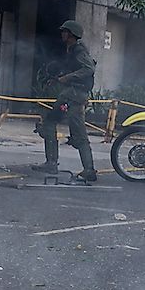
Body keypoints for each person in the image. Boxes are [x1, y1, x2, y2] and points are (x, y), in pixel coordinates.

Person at [32, 20, 97, 182]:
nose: (62, 34)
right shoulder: (71, 50)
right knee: (50, 122)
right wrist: (55, 78)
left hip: (75, 95)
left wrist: (67, 78)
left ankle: (88, 170)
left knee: (78, 132)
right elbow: (68, 69)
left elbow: (89, 69)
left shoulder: (79, 51)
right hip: (70, 95)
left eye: (65, 32)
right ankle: (52, 162)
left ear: (71, 34)